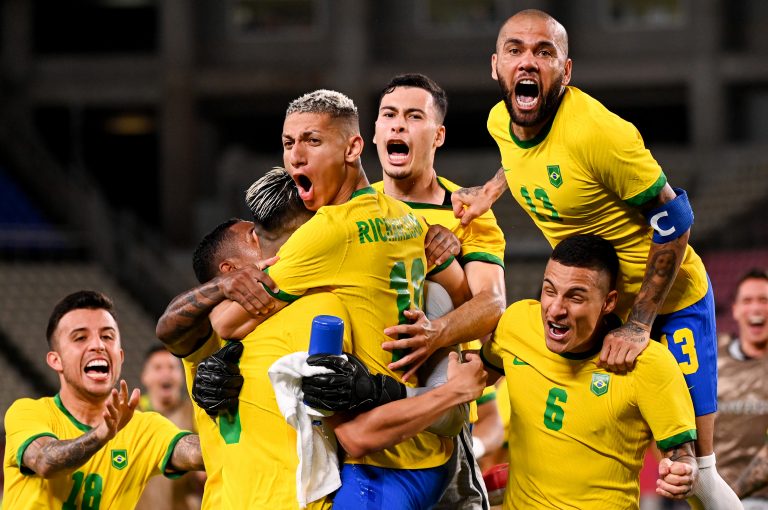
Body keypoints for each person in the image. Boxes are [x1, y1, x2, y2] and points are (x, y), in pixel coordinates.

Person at [446, 9, 738, 508]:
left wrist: (641, 323)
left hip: (669, 302)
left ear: (567, 69)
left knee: (695, 475)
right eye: (516, 50)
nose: (528, 61)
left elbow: (675, 218)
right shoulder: (502, 120)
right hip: (600, 305)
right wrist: (489, 192)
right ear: (495, 65)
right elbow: (521, 157)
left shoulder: (600, 133)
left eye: (545, 52)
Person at [158, 168, 484, 509]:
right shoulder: (218, 335)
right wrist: (219, 290)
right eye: (253, 236)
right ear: (230, 269)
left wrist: (434, 238)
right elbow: (167, 328)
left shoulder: (321, 307)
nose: (271, 238)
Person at [481, 234, 698, 509]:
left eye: (575, 297)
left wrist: (683, 472)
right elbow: (477, 376)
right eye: (549, 290)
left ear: (608, 302)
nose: (556, 309)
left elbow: (682, 455)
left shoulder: (649, 364)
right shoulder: (517, 323)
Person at [372, 72, 507, 508]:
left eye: (413, 117)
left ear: (439, 135)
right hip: (366, 417)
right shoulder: (350, 209)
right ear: (374, 133)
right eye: (389, 115)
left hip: (442, 429)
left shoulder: (467, 213)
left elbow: (492, 304)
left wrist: (436, 332)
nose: (398, 126)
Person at [2, 290, 204, 509]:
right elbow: (45, 461)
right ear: (56, 360)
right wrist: (101, 435)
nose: (98, 345)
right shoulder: (27, 412)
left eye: (107, 336)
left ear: (120, 356)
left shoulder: (145, 429)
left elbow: (199, 453)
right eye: (80, 338)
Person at [714, 268, 768, 509]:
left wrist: (728, 499)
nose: (756, 309)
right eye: (747, 300)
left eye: (764, 300)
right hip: (712, 499)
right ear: (735, 309)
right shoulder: (711, 359)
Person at [136, 345, 202, 510]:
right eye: (158, 368)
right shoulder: (131, 416)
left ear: (181, 375)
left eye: (172, 367)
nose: (166, 373)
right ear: (145, 376)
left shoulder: (196, 414)